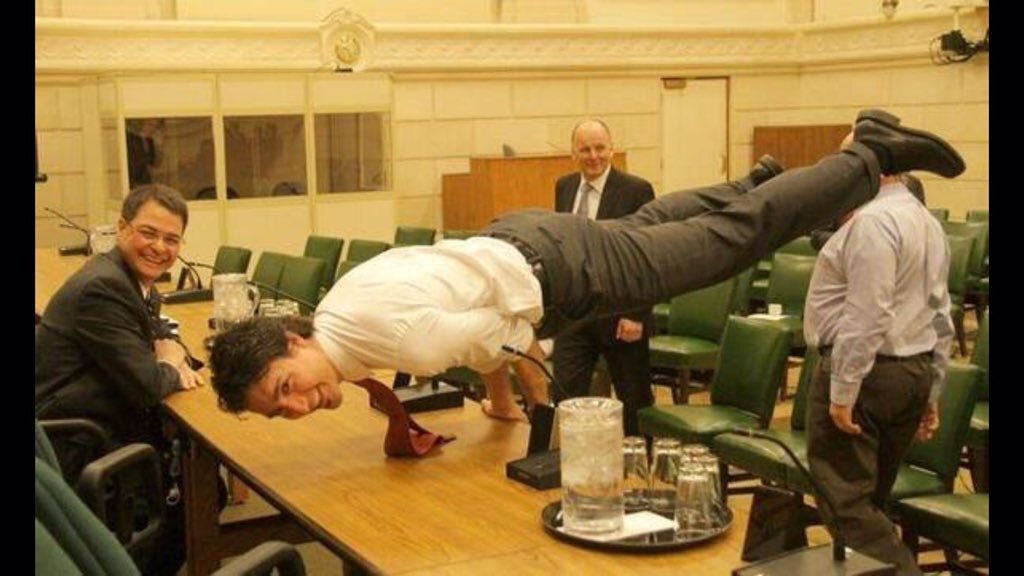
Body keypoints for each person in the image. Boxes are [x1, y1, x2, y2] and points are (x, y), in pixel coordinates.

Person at [209, 109, 965, 427]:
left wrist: (517, 378)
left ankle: (867, 155)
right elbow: (478, 330)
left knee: (733, 242)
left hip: (563, 272)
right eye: (281, 412)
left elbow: (508, 340)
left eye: (285, 387)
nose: (298, 406)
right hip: (522, 236)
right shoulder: (340, 308)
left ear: (291, 342)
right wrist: (504, 391)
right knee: (657, 223)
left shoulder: (396, 343)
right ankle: (754, 179)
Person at [803, 134, 954, 575]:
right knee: (870, 503)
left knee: (847, 505)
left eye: (846, 160)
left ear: (868, 165)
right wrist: (931, 389)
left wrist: (843, 389)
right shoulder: (926, 221)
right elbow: (941, 314)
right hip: (910, 372)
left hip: (866, 376)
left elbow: (867, 314)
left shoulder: (872, 222)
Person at [35, 183, 205, 576]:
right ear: (122, 227)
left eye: (171, 239)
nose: (159, 247)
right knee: (200, 492)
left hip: (90, 423)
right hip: (78, 444)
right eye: (148, 233)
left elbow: (161, 334)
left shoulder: (128, 279)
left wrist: (172, 353)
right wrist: (169, 364)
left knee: (201, 482)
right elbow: (148, 387)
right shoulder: (103, 287)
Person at [549, 119, 655, 433]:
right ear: (573, 152)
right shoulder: (564, 186)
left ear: (612, 149)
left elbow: (648, 254)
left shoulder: (636, 190)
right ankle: (573, 454)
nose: (593, 156)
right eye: (585, 149)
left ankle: (639, 457)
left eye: (599, 148)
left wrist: (637, 314)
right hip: (575, 314)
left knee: (633, 399)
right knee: (565, 393)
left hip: (621, 313)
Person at [127, 118, 164, 189]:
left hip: (145, 181)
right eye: (150, 125)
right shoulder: (131, 138)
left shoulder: (150, 141)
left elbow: (155, 163)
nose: (152, 129)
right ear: (143, 124)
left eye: (155, 127)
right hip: (133, 180)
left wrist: (159, 146)